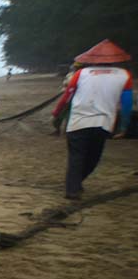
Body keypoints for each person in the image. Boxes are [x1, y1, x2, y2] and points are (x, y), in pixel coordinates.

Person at [52, 39, 133, 199]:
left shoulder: (81, 74)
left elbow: (67, 97)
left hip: (78, 121)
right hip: (104, 123)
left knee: (76, 157)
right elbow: (127, 104)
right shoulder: (124, 75)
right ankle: (75, 185)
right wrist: (123, 126)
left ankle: (73, 188)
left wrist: (57, 113)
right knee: (93, 157)